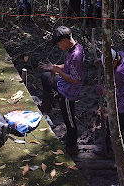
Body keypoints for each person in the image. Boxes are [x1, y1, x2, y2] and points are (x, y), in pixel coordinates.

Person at [40, 26, 85, 156]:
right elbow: (69, 67)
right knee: (46, 77)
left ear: (66, 40)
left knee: (69, 120)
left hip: (69, 91)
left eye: (60, 43)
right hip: (63, 83)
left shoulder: (76, 55)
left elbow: (75, 79)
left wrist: (58, 71)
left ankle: (72, 146)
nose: (59, 46)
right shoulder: (74, 48)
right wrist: (54, 68)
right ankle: (47, 108)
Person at [95, 48, 124, 157]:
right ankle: (116, 149)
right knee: (118, 125)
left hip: (121, 102)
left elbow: (110, 91)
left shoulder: (119, 73)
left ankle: (115, 151)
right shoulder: (121, 54)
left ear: (115, 61)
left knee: (116, 126)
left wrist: (101, 90)